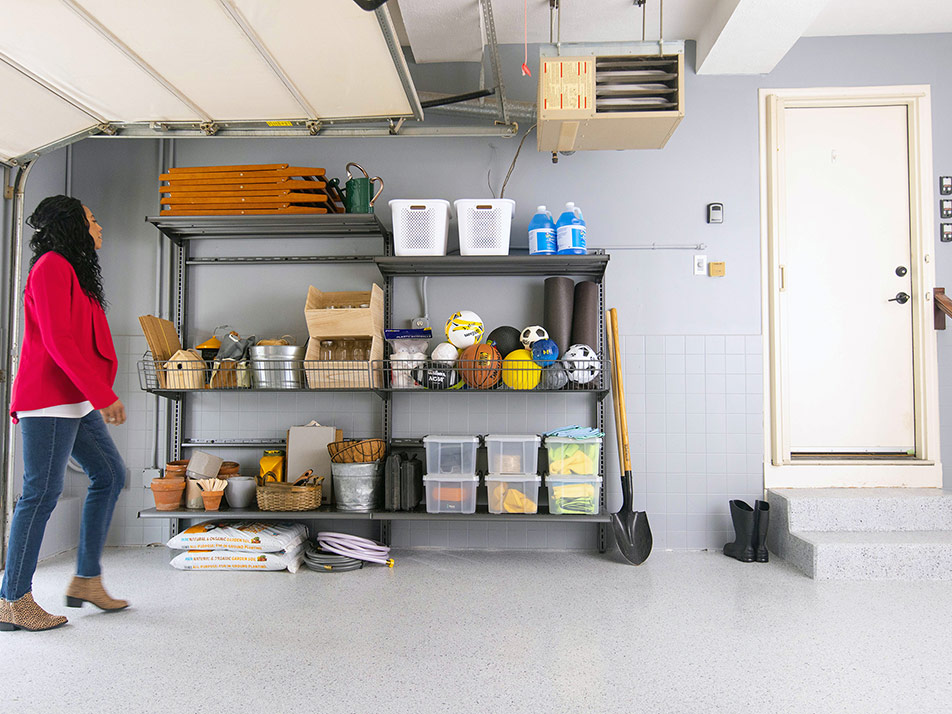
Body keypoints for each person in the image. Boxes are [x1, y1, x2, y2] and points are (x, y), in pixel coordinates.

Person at [0, 195, 129, 632]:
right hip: (49, 399)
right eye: (92, 220)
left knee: (109, 474)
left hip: (73, 399)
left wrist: (95, 394)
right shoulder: (51, 266)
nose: (99, 227)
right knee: (40, 494)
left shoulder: (72, 269)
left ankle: (87, 580)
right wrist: (103, 394)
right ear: (73, 225)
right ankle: (12, 600)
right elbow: (58, 340)